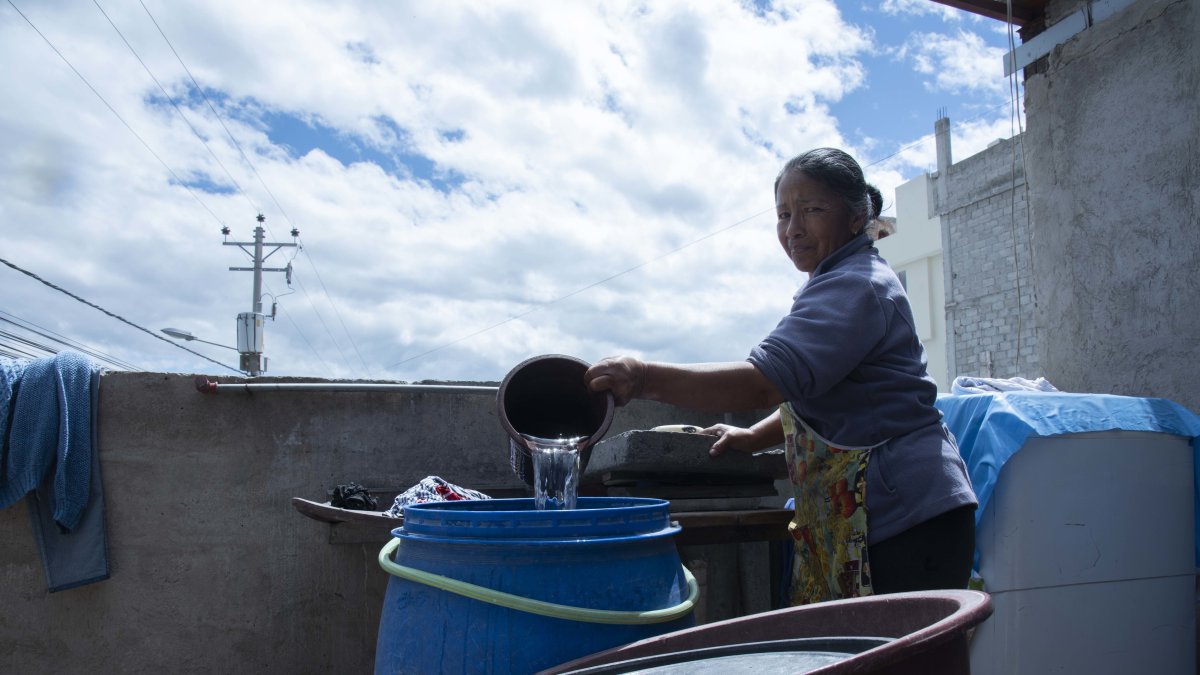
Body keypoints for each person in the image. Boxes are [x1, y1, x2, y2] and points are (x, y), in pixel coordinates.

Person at [584, 148, 977, 606]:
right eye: (784, 214)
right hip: (879, 519)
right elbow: (811, 390)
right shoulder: (837, 279)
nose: (793, 229)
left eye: (812, 210)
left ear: (855, 219)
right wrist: (754, 436)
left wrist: (644, 377)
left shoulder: (855, 285)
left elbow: (763, 382)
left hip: (909, 520)